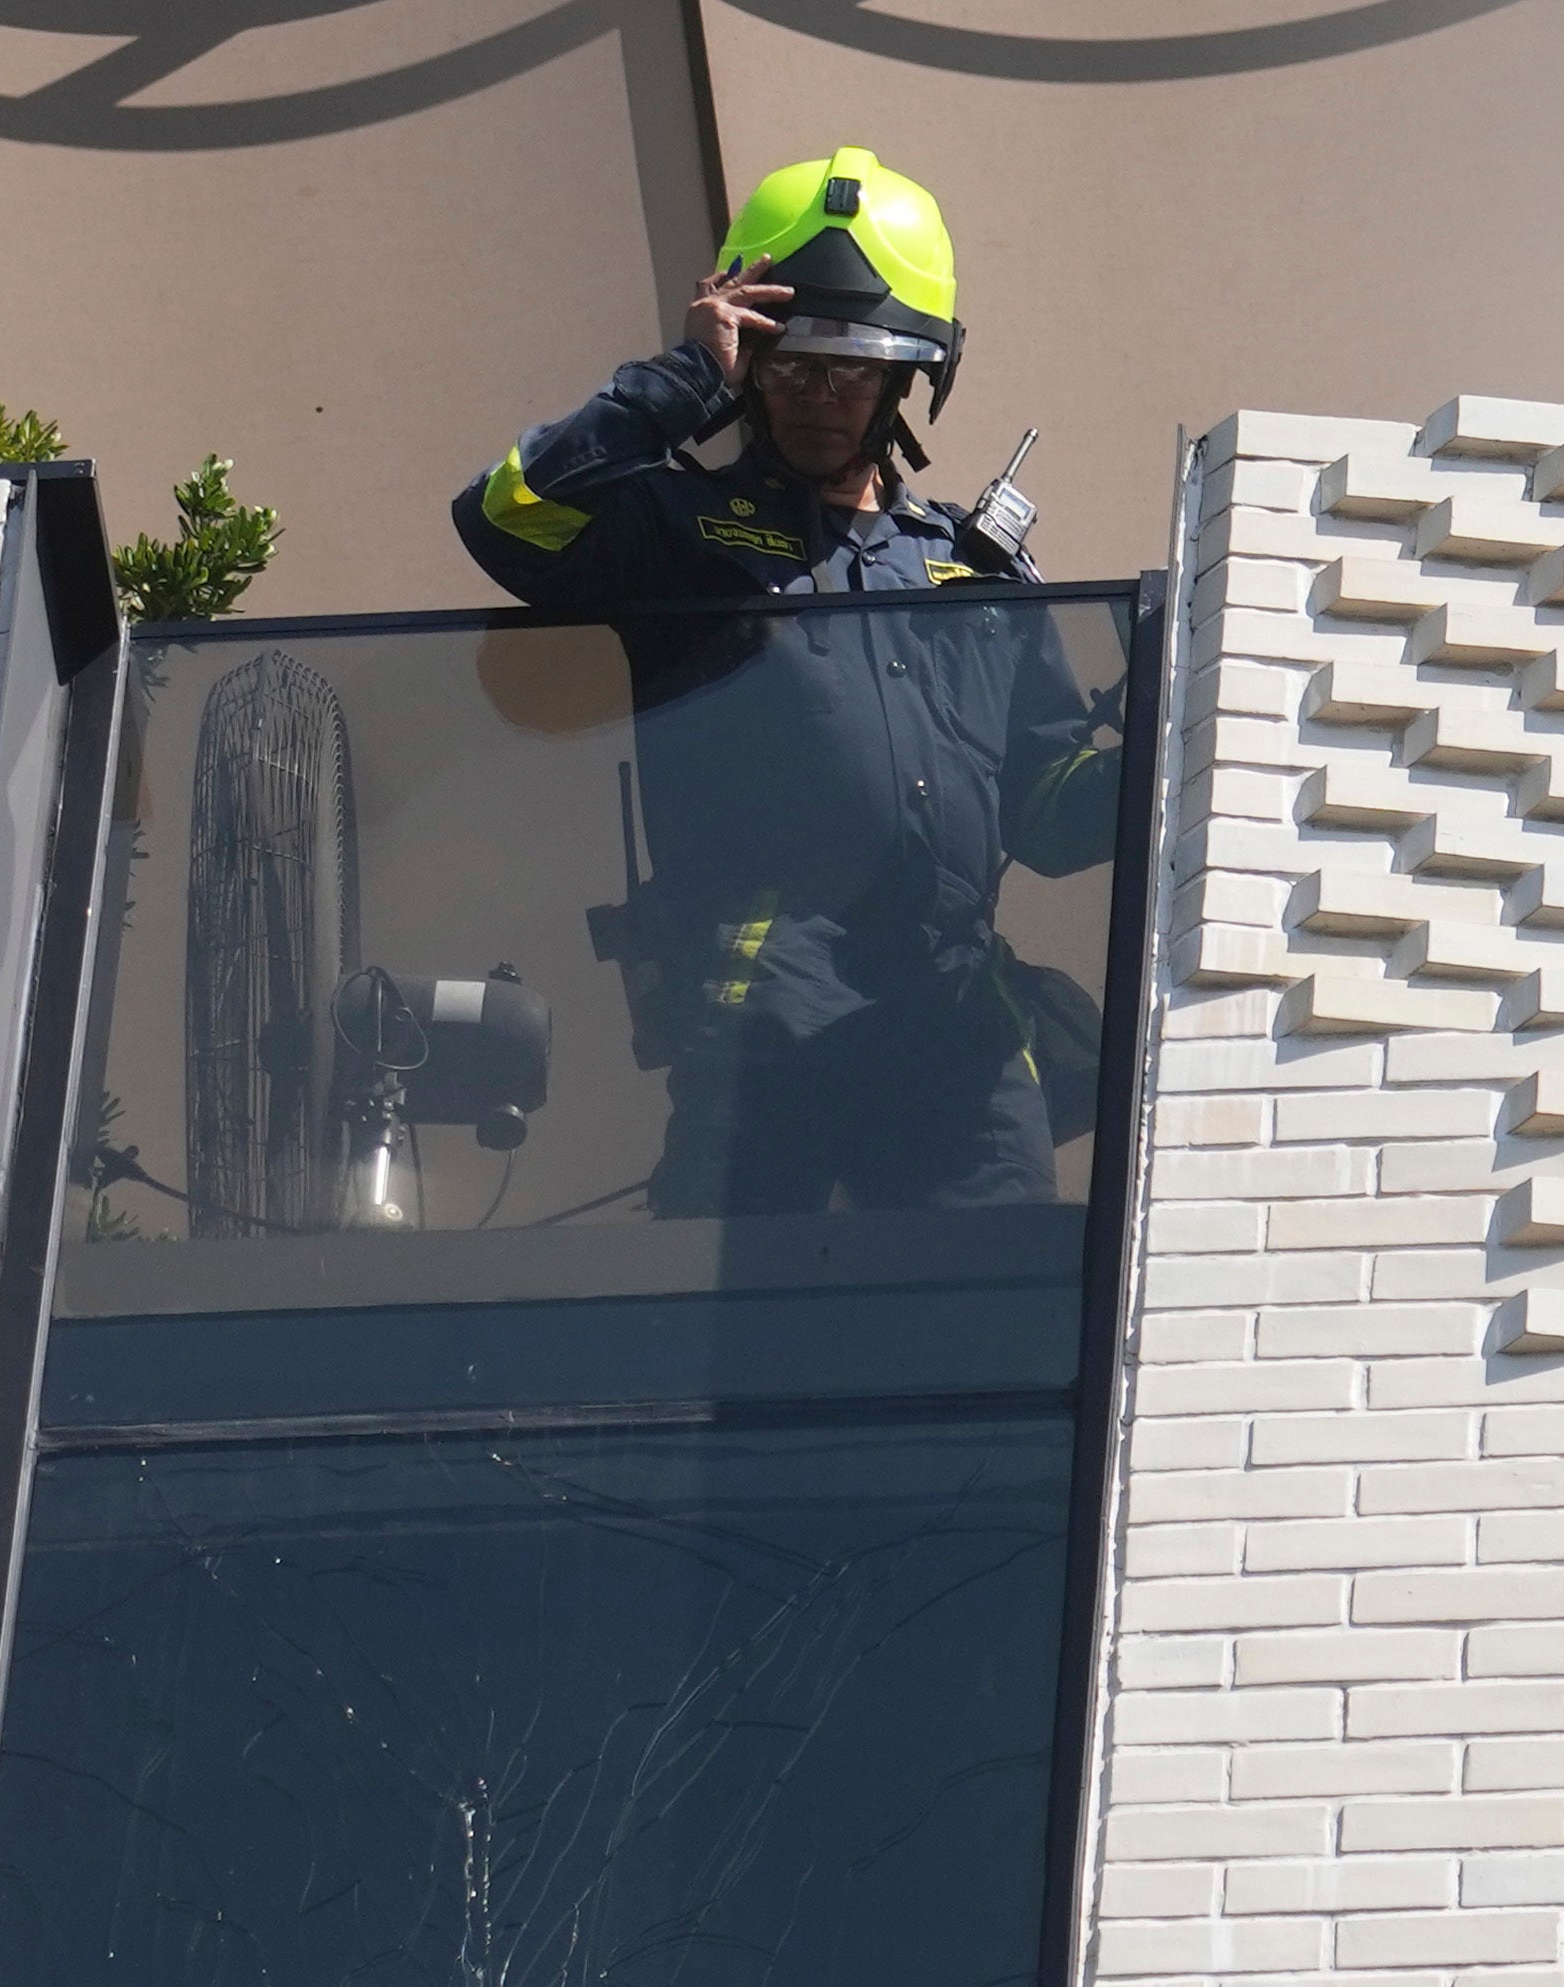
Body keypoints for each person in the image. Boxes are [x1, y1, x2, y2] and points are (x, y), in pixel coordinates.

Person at [453, 151, 1120, 1217]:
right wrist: (677, 384)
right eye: (792, 365)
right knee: (746, 1343)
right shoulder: (678, 527)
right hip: (764, 1009)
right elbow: (507, 519)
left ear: (906, 380)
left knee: (996, 1325)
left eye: (851, 371)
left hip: (958, 1024)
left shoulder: (968, 568)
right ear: (750, 370)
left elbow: (1044, 812)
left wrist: (1169, 742)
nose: (820, 395)